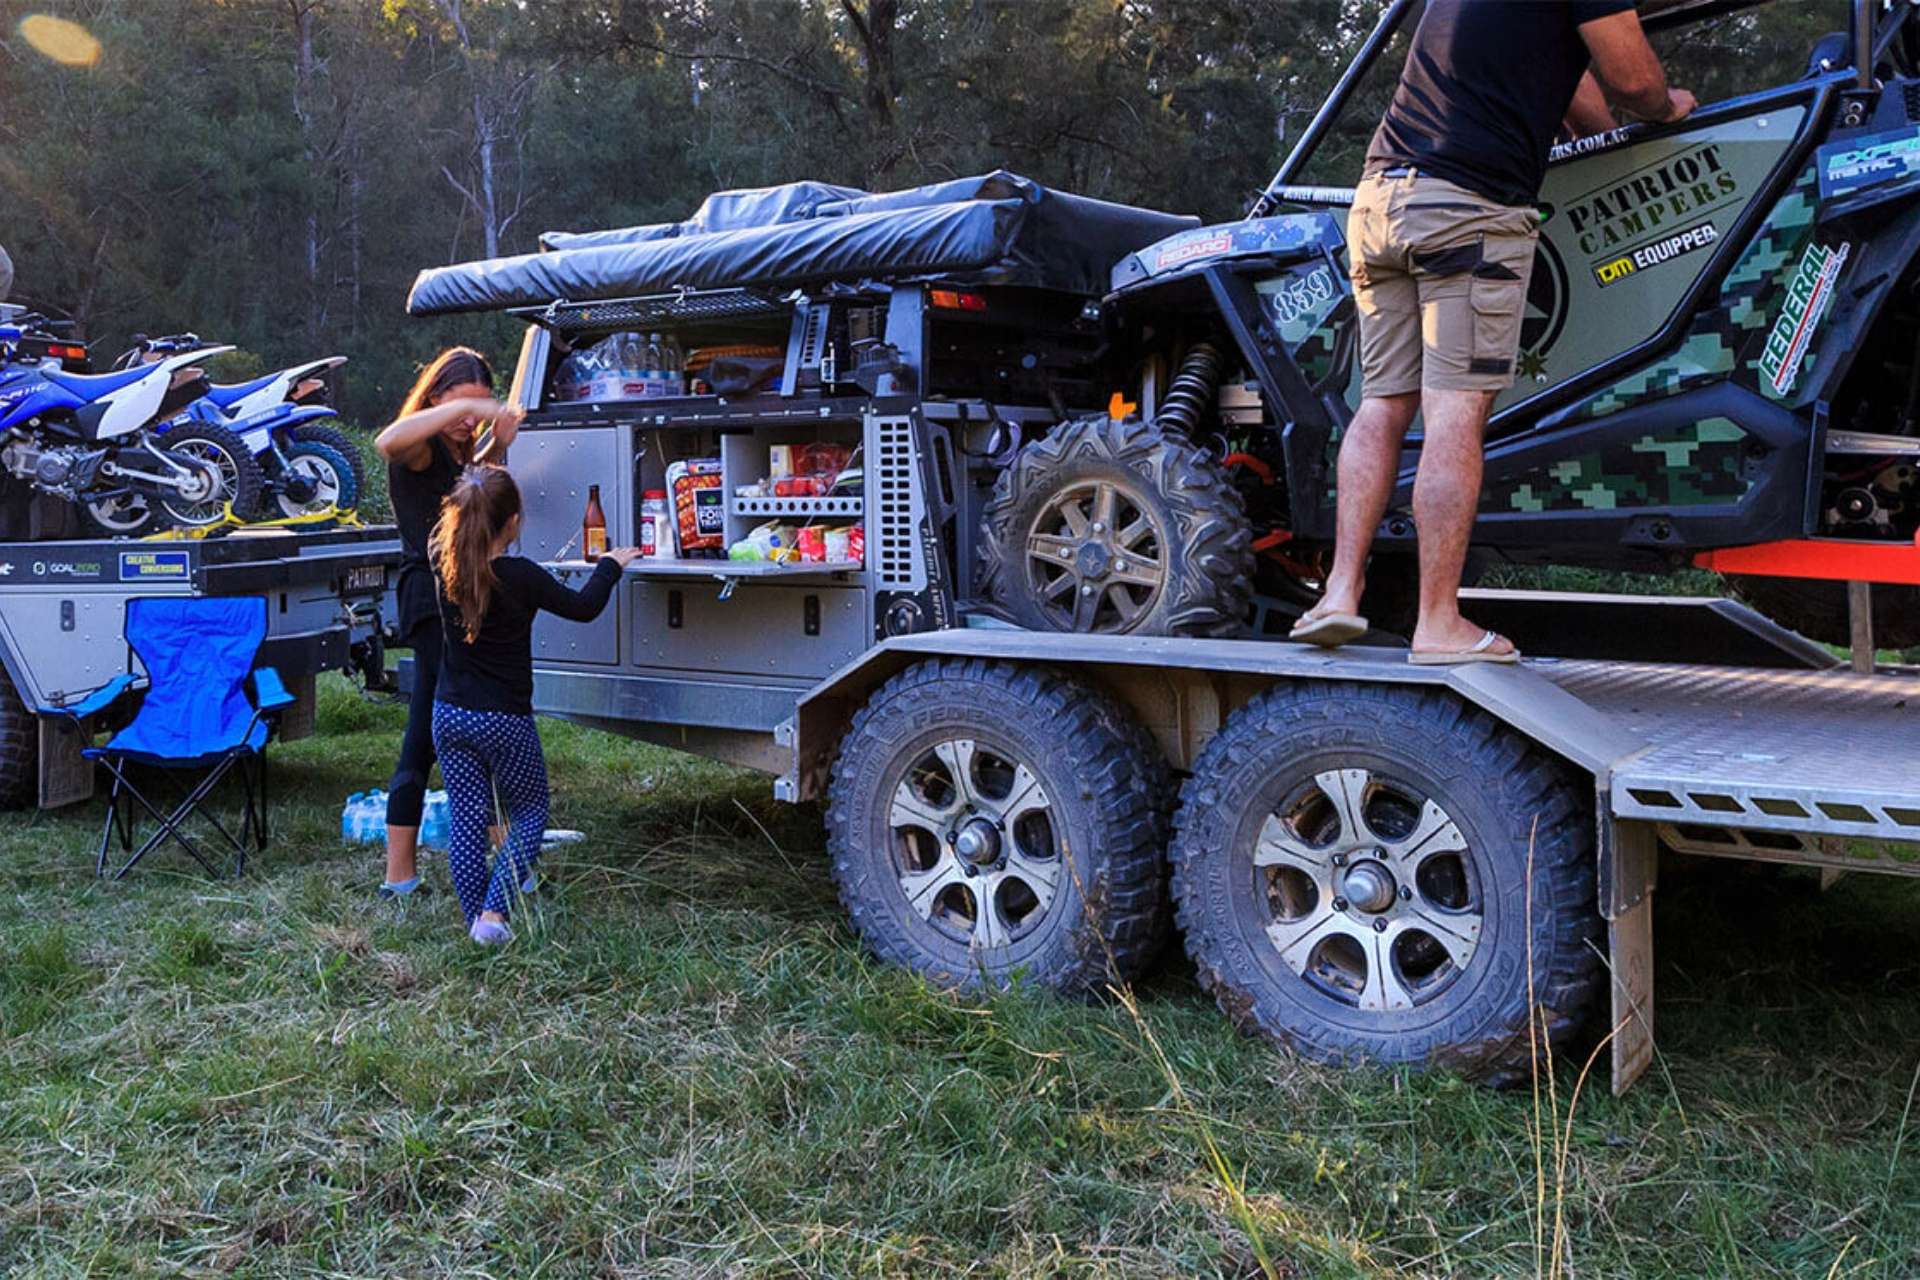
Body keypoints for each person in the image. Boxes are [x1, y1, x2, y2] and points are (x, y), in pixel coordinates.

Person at [1290, 0, 1695, 663]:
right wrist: (1668, 106)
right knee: (1455, 414)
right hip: (1466, 207)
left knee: (1381, 405)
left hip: (1380, 199)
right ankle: (1438, 622)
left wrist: (1591, 126)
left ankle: (1337, 595)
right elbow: (1633, 80)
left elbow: (1581, 96)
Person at [429, 466, 639, 943]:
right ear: (514, 522)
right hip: (504, 719)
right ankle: (495, 914)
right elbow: (583, 608)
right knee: (528, 814)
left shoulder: (445, 566)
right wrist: (610, 565)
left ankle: (474, 923)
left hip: (450, 713)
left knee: (467, 817)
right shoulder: (520, 576)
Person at [372, 348, 523, 901]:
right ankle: (402, 875)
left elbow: (471, 500)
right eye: (461, 405)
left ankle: (497, 858)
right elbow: (385, 441)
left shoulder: (459, 454)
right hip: (427, 602)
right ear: (433, 397)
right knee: (433, 731)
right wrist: (463, 412)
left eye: (476, 409)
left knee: (455, 723)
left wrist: (496, 439)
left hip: (455, 598)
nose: (469, 419)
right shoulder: (418, 449)